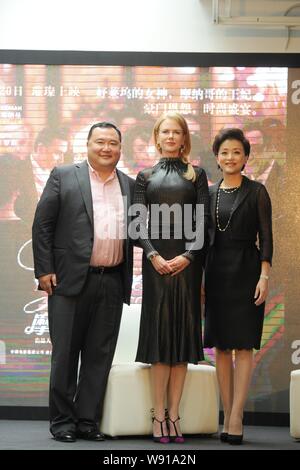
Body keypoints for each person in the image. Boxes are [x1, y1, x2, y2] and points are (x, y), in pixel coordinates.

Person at [32, 122, 135, 443]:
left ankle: (87, 420)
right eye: (100, 142)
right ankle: (62, 422)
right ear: (88, 145)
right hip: (68, 282)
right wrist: (43, 270)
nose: (107, 148)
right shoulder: (64, 175)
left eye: (113, 143)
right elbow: (42, 225)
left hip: (112, 281)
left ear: (120, 148)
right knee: (65, 355)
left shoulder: (130, 185)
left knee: (99, 355)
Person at [133, 112, 209, 443]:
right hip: (155, 268)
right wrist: (153, 256)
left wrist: (188, 256)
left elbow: (204, 222)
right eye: (165, 131)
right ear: (156, 136)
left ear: (184, 138)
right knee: (160, 343)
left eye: (176, 132)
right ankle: (157, 415)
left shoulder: (198, 175)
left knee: (181, 345)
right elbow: (136, 225)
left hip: (187, 268)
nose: (170, 136)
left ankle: (174, 416)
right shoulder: (144, 176)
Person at [203, 128, 273, 445]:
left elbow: (267, 238)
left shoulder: (257, 192)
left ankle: (237, 416)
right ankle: (227, 410)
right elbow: (202, 241)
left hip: (247, 272)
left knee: (243, 346)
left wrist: (264, 275)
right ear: (217, 158)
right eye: (224, 152)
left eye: (236, 152)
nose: (230, 157)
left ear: (245, 157)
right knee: (220, 347)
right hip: (216, 272)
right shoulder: (209, 193)